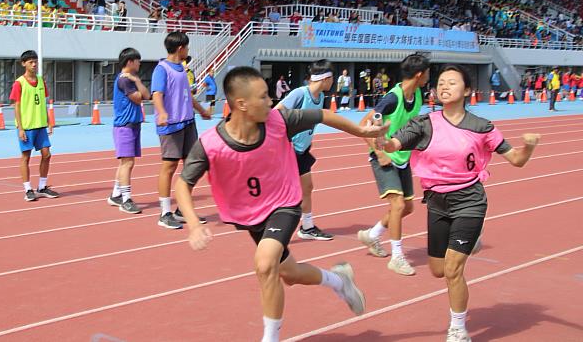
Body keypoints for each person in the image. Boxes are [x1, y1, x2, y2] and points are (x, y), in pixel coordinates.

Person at [176, 67, 388, 342]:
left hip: (285, 202)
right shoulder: (211, 144)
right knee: (289, 273)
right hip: (251, 214)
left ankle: (270, 338)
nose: (270, 102)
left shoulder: (280, 120)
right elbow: (183, 184)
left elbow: (322, 115)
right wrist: (193, 223)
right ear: (241, 104)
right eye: (263, 97)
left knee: (265, 265)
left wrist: (360, 131)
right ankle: (339, 280)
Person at [376, 64, 539, 342]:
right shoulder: (424, 123)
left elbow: (517, 160)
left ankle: (458, 329)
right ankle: (470, 241)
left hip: (469, 201)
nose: (444, 87)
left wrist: (530, 146)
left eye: (452, 82)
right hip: (437, 202)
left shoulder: (481, 127)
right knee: (438, 270)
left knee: (453, 270)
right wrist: (379, 135)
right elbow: (391, 146)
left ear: (466, 90)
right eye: (440, 82)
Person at [357, 53, 430, 276]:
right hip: (384, 157)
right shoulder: (391, 99)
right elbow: (362, 124)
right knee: (397, 205)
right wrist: (379, 153)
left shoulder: (417, 94)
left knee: (407, 207)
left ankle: (372, 235)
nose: (429, 77)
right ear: (419, 75)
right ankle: (397, 257)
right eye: (427, 73)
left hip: (401, 157)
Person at [151, 31, 212, 229]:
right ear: (180, 48)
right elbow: (157, 94)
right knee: (169, 166)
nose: (188, 50)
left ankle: (181, 210)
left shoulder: (181, 68)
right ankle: (165, 212)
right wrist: (161, 112)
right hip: (171, 124)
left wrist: (201, 110)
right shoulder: (162, 69)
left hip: (188, 122)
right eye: (187, 47)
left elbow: (187, 94)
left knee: (191, 166)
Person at [275, 60, 336, 241]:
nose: (332, 82)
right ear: (325, 78)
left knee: (307, 187)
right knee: (284, 192)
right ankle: (271, 229)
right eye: (332, 78)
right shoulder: (300, 94)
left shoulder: (321, 98)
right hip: (287, 150)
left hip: (302, 150)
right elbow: (276, 113)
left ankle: (307, 227)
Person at [9, 50, 58, 202]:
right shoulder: (19, 83)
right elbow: (16, 106)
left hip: (40, 126)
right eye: (30, 62)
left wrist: (49, 121)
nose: (34, 64)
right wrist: (21, 128)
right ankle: (27, 189)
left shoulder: (41, 80)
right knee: (26, 157)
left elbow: (43, 102)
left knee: (47, 154)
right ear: (23, 64)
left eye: (35, 61)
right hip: (27, 126)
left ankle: (42, 187)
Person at [108, 47, 150, 214]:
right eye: (138, 60)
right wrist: (137, 81)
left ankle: (116, 194)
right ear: (130, 62)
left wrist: (137, 80)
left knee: (124, 162)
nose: (139, 63)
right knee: (128, 162)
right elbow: (140, 97)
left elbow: (146, 95)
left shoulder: (131, 79)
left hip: (132, 124)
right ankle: (126, 199)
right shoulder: (124, 80)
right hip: (124, 125)